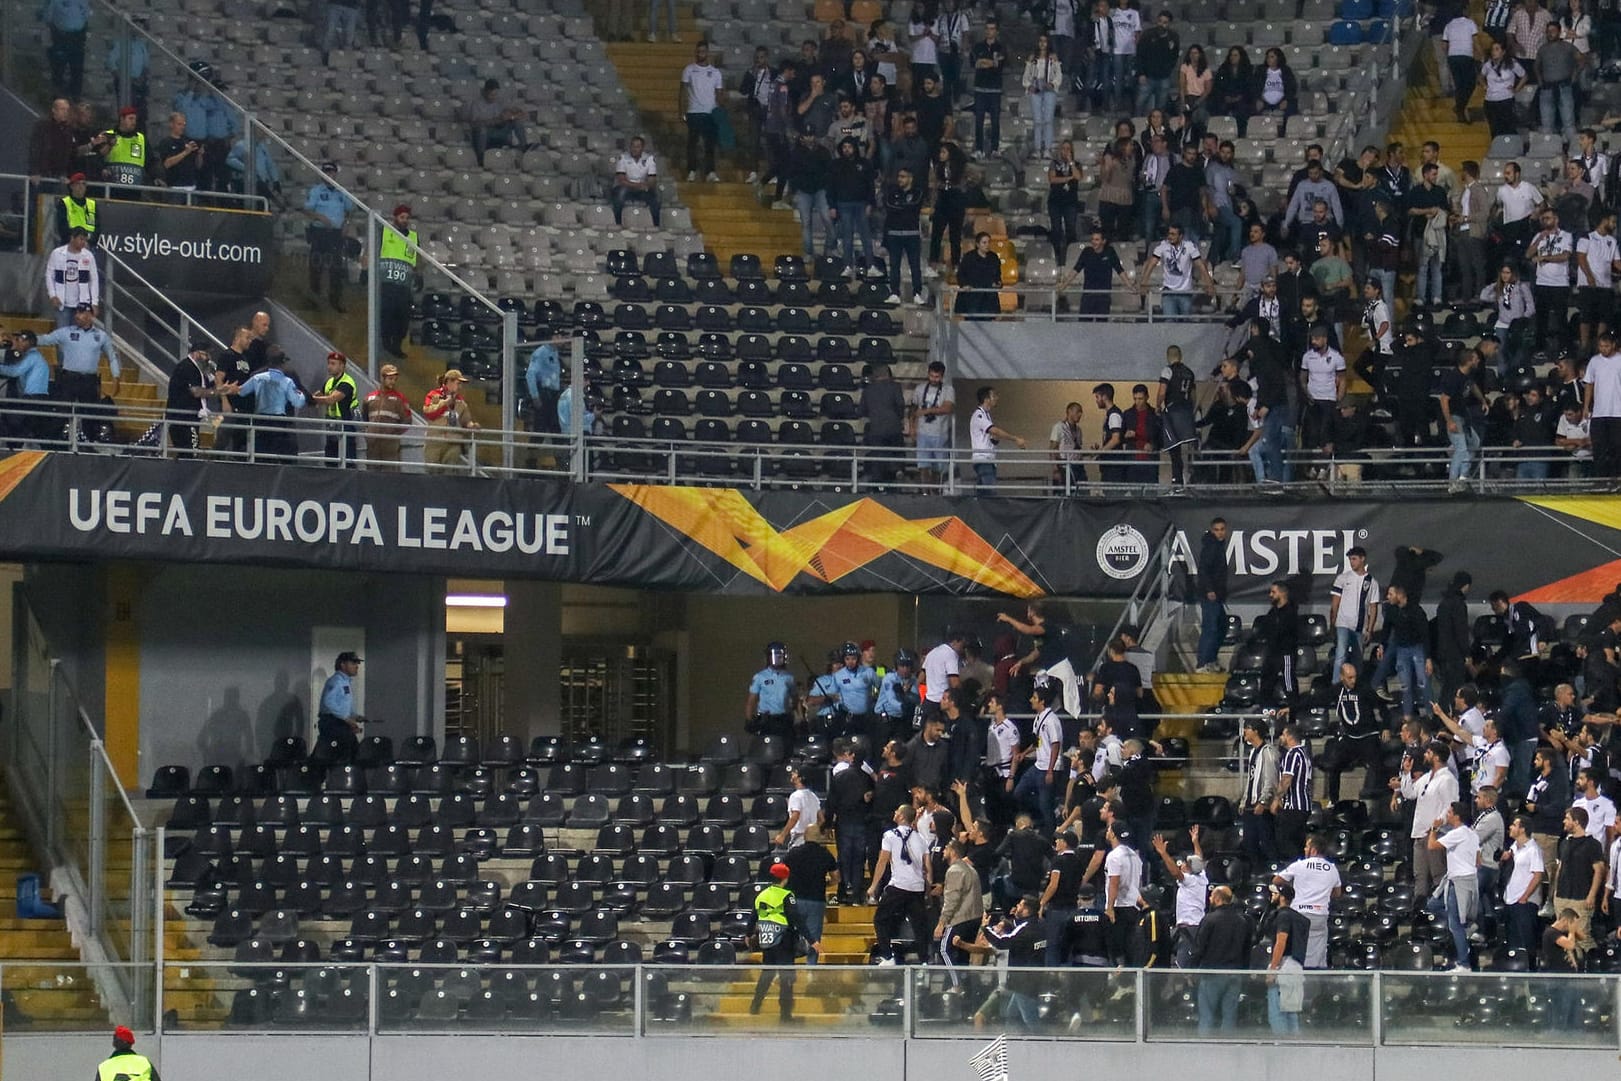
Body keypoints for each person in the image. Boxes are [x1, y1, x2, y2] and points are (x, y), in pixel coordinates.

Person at [38, 304, 119, 443]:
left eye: (81, 313)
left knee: (90, 414)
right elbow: (45, 339)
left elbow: (112, 357)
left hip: (89, 380)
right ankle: (54, 444)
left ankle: (89, 443)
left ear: (90, 315)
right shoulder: (66, 332)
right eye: (76, 313)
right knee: (62, 412)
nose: (77, 316)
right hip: (69, 378)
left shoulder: (101, 336)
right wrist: (27, 338)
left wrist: (116, 377)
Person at [1395, 741, 1459, 905]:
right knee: (1420, 875)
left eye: (1428, 753)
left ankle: (1442, 908)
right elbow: (1409, 793)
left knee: (1438, 873)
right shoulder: (1426, 777)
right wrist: (1406, 774)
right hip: (1419, 832)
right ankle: (1419, 909)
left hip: (1434, 835)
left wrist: (1439, 823)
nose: (1425, 755)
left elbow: (1451, 805)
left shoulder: (1447, 779)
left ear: (1436, 757)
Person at [867, 803, 931, 963]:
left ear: (901, 816)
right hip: (917, 887)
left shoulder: (889, 835)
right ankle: (924, 960)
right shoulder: (921, 838)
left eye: (897, 811)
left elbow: (882, 862)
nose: (894, 813)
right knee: (919, 926)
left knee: (880, 919)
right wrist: (927, 890)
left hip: (898, 886)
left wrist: (873, 886)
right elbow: (927, 867)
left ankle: (888, 956)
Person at [750, 862, 814, 1019]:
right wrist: (812, 939)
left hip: (766, 938)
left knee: (767, 973)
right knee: (787, 976)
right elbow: (795, 918)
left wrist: (747, 934)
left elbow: (754, 916)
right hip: (783, 939)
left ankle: (755, 1006)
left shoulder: (762, 895)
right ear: (785, 878)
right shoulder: (786, 895)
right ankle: (785, 1014)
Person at [1191, 884, 1250, 1033]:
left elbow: (1199, 947)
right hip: (1235, 973)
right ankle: (1227, 1051)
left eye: (1211, 896)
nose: (1209, 898)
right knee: (1230, 1017)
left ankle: (1205, 1050)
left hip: (1212, 974)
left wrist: (1190, 970)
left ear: (1217, 898)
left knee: (1207, 1016)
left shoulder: (1210, 919)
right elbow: (1246, 950)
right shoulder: (1242, 921)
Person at [1014, 675, 1065, 830]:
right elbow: (1038, 741)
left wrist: (1050, 770)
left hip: (1048, 768)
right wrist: (1025, 752)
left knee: (1045, 806)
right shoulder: (1038, 719)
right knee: (1019, 793)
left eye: (1034, 697)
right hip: (1038, 765)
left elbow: (1056, 745)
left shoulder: (1052, 720)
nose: (1031, 700)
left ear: (1042, 701)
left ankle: (1050, 831)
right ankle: (1050, 807)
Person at [1153, 826, 1208, 967]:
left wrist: (1163, 853)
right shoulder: (1202, 877)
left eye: (1185, 864)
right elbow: (1199, 859)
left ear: (1189, 869)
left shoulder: (1190, 880)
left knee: (1183, 965)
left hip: (1189, 928)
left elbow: (1175, 872)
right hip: (1195, 927)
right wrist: (1195, 842)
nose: (1182, 864)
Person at [300, 162, 352, 312]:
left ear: (336, 173)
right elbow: (307, 210)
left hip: (336, 234)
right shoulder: (316, 191)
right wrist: (319, 217)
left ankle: (335, 301)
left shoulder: (342, 192)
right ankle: (314, 299)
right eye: (327, 172)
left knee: (336, 268)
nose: (330, 174)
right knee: (316, 266)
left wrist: (347, 223)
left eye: (332, 172)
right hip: (320, 233)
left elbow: (349, 210)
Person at [1262, 880, 1309, 1034]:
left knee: (1277, 1013)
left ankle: (1281, 1047)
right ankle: (1294, 1047)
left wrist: (1273, 969)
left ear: (1282, 897)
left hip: (1284, 965)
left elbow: (1281, 942)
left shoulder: (1283, 915)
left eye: (1275, 893)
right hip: (1297, 966)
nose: (1272, 896)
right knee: (1292, 1012)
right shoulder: (1301, 919)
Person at [1140, 222, 1215, 317]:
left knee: (1186, 324)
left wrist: (1209, 284)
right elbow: (1151, 264)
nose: (1170, 236)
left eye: (1173, 234)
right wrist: (1143, 283)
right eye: (1169, 233)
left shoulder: (1189, 247)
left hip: (1185, 293)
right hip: (1168, 292)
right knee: (1169, 323)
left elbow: (1201, 266)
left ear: (1181, 236)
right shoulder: (1162, 246)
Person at [374, 204, 418, 359]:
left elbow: (416, 260)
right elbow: (374, 251)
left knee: (402, 317)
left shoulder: (413, 236)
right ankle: (386, 342)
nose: (404, 220)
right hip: (387, 282)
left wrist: (417, 275)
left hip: (404, 284)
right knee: (387, 314)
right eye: (402, 217)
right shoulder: (385, 231)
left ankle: (397, 345)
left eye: (407, 218)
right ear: (395, 218)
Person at [935, 838, 985, 965]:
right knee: (963, 955)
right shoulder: (971, 869)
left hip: (960, 919)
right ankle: (964, 983)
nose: (943, 851)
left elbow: (952, 900)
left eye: (946, 848)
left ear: (953, 852)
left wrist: (942, 923)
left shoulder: (954, 870)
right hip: (974, 918)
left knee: (944, 950)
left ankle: (957, 984)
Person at [461, 79, 529, 168]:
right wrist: (497, 120)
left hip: (499, 130)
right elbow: (475, 124)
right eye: (491, 95)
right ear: (485, 92)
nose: (494, 97)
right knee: (482, 130)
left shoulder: (500, 101)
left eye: (495, 94)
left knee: (517, 123)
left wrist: (512, 116)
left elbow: (521, 113)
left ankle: (524, 149)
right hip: (486, 134)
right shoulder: (477, 104)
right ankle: (481, 159)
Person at [681, 42, 724, 182]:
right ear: (696, 53)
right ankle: (691, 170)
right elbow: (682, 91)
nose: (701, 54)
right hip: (693, 112)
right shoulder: (689, 70)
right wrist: (681, 111)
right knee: (692, 143)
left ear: (707, 53)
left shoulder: (716, 73)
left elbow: (719, 94)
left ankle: (710, 171)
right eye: (698, 51)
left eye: (703, 51)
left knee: (710, 144)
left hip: (710, 113)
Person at [968, 385, 1026, 490]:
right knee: (989, 491)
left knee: (983, 493)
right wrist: (1015, 439)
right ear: (986, 400)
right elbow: (995, 430)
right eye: (993, 396)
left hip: (988, 459)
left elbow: (991, 435)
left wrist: (994, 440)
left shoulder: (986, 415)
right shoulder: (979, 415)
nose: (996, 398)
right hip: (983, 459)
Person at [883, 168, 926, 306]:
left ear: (910, 178)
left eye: (903, 176)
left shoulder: (917, 192)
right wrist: (904, 208)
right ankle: (894, 293)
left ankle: (917, 293)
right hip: (894, 234)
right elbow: (889, 206)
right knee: (894, 265)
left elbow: (914, 207)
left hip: (912, 234)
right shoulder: (892, 192)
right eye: (899, 176)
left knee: (915, 266)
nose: (900, 179)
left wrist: (899, 207)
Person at [422, 368, 479, 469]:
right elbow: (429, 413)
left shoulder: (461, 403)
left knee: (450, 473)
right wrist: (445, 403)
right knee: (432, 473)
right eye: (458, 383)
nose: (460, 387)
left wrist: (472, 425)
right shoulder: (433, 395)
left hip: (453, 443)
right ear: (449, 382)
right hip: (434, 441)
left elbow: (466, 420)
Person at [309, 351, 359, 466]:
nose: (329, 367)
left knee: (347, 462)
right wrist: (310, 398)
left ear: (342, 366)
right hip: (332, 427)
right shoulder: (329, 381)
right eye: (329, 363)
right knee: (330, 460)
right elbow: (319, 395)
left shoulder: (347, 383)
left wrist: (311, 399)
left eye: (333, 363)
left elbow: (331, 399)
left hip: (346, 426)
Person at [1271, 725, 1313, 860]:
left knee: (1284, 840)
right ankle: (1302, 870)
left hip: (1294, 805)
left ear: (1289, 736)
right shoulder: (1305, 753)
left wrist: (1277, 799)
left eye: (1283, 734)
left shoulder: (1293, 754)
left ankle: (1296, 869)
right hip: (1304, 805)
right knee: (1298, 841)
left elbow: (1287, 778)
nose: (1281, 738)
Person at [1240, 717, 1278, 863]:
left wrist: (1263, 802)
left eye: (1247, 728)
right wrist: (1244, 801)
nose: (1244, 731)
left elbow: (1271, 780)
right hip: (1251, 804)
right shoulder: (1253, 752)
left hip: (1261, 806)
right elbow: (1250, 780)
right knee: (1249, 843)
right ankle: (1256, 873)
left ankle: (1273, 871)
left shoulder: (1267, 752)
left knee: (1267, 841)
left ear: (1256, 731)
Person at [360, 363, 411, 471]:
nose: (393, 381)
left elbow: (407, 420)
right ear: (382, 378)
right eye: (390, 378)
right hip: (373, 443)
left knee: (391, 475)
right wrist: (368, 433)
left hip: (390, 445)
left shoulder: (400, 398)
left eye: (395, 379)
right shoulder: (369, 398)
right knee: (371, 473)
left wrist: (393, 435)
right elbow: (364, 418)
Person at [45, 227, 98, 328]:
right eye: (81, 239)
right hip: (62, 302)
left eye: (85, 240)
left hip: (81, 303)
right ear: (72, 238)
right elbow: (49, 275)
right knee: (62, 334)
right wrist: (52, 295)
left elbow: (94, 280)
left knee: (79, 335)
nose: (83, 243)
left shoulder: (88, 256)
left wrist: (94, 302)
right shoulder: (57, 253)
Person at [317, 650, 364, 761]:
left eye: (357, 663)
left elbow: (343, 704)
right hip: (332, 723)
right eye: (353, 663)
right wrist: (347, 719)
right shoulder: (336, 681)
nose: (356, 666)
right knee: (343, 756)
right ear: (343, 665)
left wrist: (355, 716)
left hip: (340, 723)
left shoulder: (345, 682)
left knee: (353, 754)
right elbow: (328, 702)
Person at [954, 232, 1003, 321]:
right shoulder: (969, 257)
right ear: (977, 244)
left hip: (988, 297)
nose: (987, 245)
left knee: (987, 322)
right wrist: (964, 285)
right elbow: (961, 274)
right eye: (984, 243)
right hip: (972, 297)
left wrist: (998, 283)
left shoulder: (993, 257)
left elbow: (997, 275)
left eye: (988, 242)